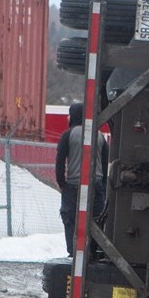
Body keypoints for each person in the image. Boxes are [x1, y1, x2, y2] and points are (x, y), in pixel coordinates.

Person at [54, 102, 108, 256]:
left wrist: (62, 183)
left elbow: (60, 161)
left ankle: (74, 252)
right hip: (96, 185)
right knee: (96, 219)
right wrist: (102, 185)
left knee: (70, 219)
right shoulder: (99, 136)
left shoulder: (68, 135)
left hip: (73, 185)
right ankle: (94, 252)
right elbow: (105, 163)